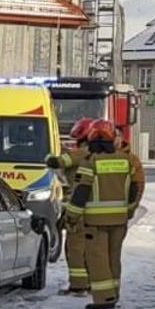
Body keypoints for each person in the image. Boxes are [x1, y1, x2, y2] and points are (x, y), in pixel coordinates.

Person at [73, 120, 140, 309]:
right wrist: (129, 210)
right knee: (113, 258)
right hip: (119, 221)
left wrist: (71, 216)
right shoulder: (126, 160)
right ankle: (114, 292)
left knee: (98, 259)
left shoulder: (90, 161)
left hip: (96, 222)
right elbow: (134, 189)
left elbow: (81, 192)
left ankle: (104, 298)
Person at [48, 118, 97, 295]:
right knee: (90, 249)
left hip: (79, 209)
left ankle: (78, 285)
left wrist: (48, 155)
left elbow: (59, 162)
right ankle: (89, 282)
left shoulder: (83, 152)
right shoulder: (96, 154)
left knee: (75, 248)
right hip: (92, 209)